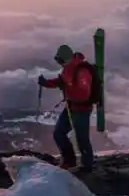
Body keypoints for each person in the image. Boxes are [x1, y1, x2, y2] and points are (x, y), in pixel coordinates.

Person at [38, 44, 95, 173]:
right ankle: (69, 161)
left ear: (65, 58)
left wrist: (68, 90)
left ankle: (87, 167)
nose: (59, 63)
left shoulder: (82, 71)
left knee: (82, 139)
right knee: (59, 133)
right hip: (71, 105)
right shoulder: (68, 68)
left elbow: (84, 94)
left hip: (82, 109)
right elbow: (62, 81)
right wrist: (46, 83)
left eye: (60, 60)